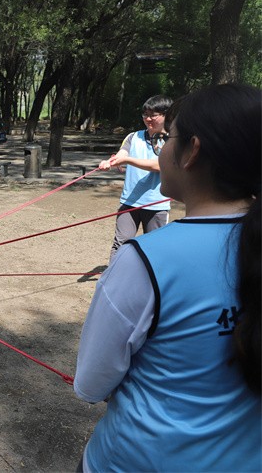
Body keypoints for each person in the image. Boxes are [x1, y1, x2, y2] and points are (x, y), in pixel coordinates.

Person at [74, 84, 261, 472]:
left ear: (192, 151)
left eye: (169, 138)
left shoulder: (145, 260)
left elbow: (90, 384)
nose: (162, 148)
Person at [98, 95, 172, 264]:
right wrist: (110, 162)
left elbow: (159, 166)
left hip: (156, 204)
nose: (148, 119)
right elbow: (121, 155)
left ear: (166, 115)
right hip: (129, 202)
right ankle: (114, 276)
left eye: (153, 115)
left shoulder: (172, 140)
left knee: (155, 248)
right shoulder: (133, 137)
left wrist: (128, 160)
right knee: (121, 244)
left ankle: (152, 278)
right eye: (145, 114)